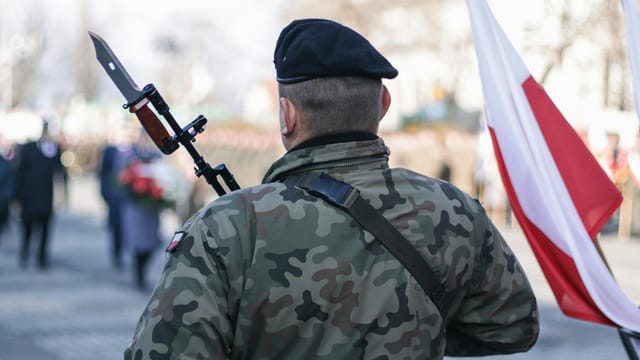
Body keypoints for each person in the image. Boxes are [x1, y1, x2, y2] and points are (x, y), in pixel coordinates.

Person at [125, 19, 539, 359]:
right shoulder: (452, 210)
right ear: (384, 105)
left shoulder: (229, 226)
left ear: (286, 114)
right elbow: (513, 325)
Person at [15, 120, 66, 270]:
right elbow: (20, 174)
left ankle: (42, 258)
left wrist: (61, 195)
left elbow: (60, 173)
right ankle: (25, 252)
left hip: (46, 195)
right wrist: (17, 197)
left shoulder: (54, 149)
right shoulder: (28, 148)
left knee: (45, 229)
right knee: (28, 228)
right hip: (29, 196)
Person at [119, 130, 164, 289]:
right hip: (136, 205)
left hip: (151, 207)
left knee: (153, 242)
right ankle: (138, 274)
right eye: (143, 137)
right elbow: (122, 177)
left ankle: (142, 269)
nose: (145, 140)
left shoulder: (156, 156)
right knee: (137, 241)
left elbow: (164, 176)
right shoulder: (131, 155)